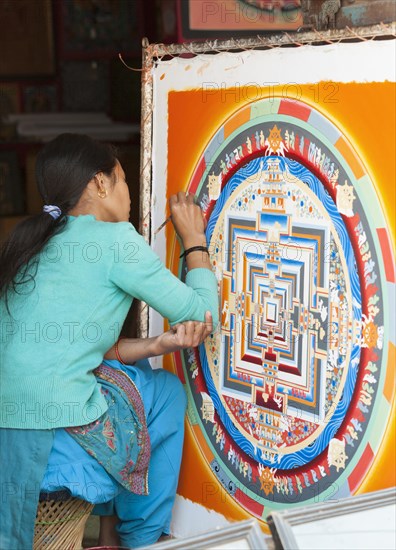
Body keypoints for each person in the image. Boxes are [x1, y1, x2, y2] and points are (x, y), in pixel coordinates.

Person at [0, 133, 219, 549]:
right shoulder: (116, 241)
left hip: (10, 442)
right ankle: (139, 540)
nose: (130, 195)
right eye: (122, 180)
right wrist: (194, 241)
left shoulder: (32, 243)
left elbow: (69, 353)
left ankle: (107, 535)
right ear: (100, 184)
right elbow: (202, 316)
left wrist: (153, 346)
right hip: (55, 451)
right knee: (167, 393)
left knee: (126, 374)